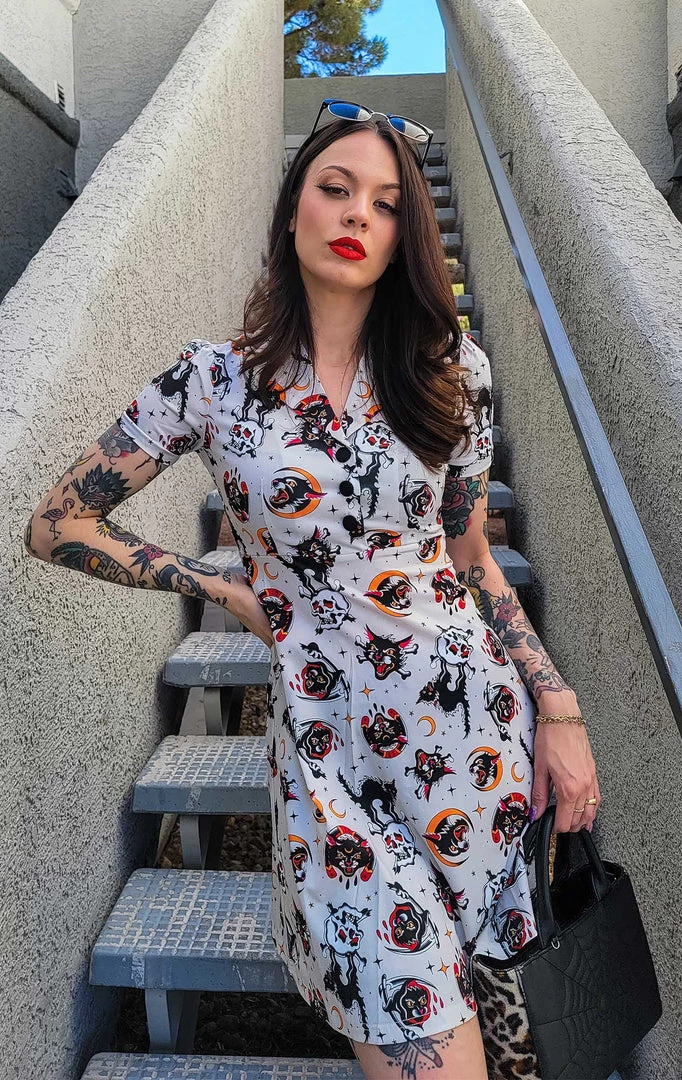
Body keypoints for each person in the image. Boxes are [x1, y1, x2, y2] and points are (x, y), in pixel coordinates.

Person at [25, 100, 601, 1080]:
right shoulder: (212, 383)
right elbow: (56, 523)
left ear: (403, 236)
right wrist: (222, 587)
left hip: (473, 743)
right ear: (294, 206)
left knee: (517, 1038)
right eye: (335, 188)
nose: (357, 213)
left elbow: (468, 555)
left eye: (386, 203)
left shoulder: (451, 372)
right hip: (333, 769)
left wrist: (558, 706)